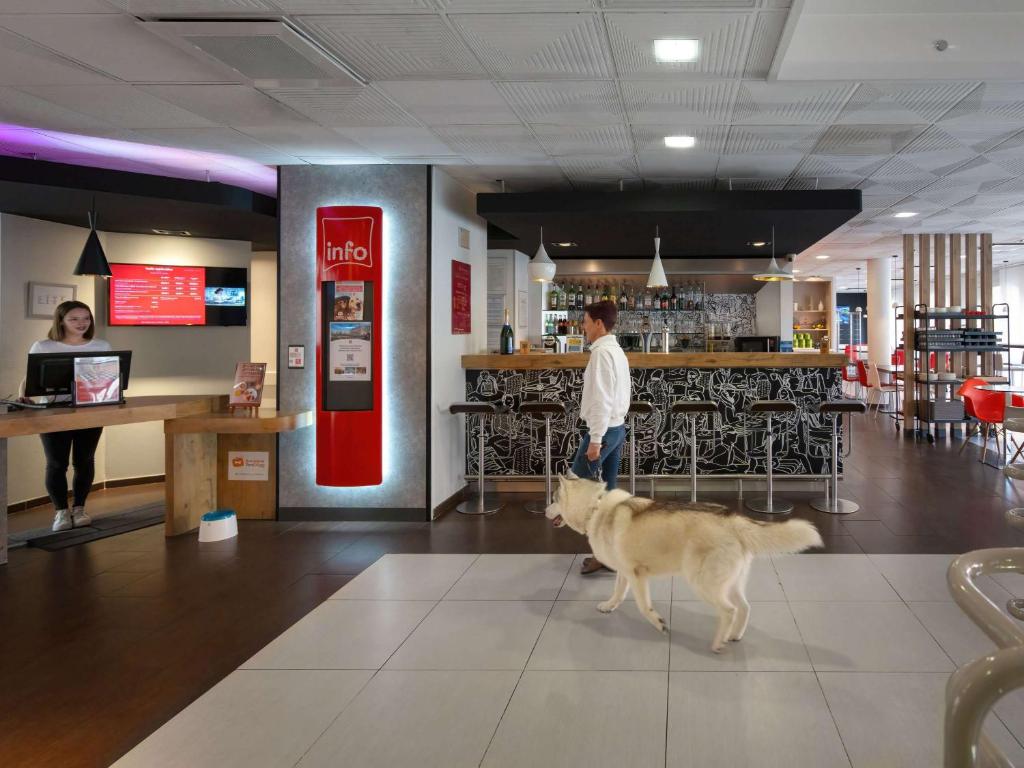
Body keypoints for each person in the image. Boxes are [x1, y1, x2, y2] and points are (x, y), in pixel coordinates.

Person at [25, 301, 111, 532]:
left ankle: (80, 509)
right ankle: (61, 512)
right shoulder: (43, 346)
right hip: (53, 413)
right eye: (74, 319)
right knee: (56, 463)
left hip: (90, 409)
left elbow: (107, 378)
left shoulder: (101, 345)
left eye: (86, 318)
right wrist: (25, 398)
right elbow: (30, 380)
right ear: (61, 321)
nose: (81, 323)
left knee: (84, 461)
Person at [572, 300, 631, 575]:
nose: (582, 327)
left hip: (604, 432)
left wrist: (595, 440)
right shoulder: (616, 350)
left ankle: (602, 553)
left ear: (598, 323)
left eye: (585, 321)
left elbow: (602, 400)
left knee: (579, 492)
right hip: (617, 429)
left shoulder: (601, 354)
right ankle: (610, 555)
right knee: (608, 496)